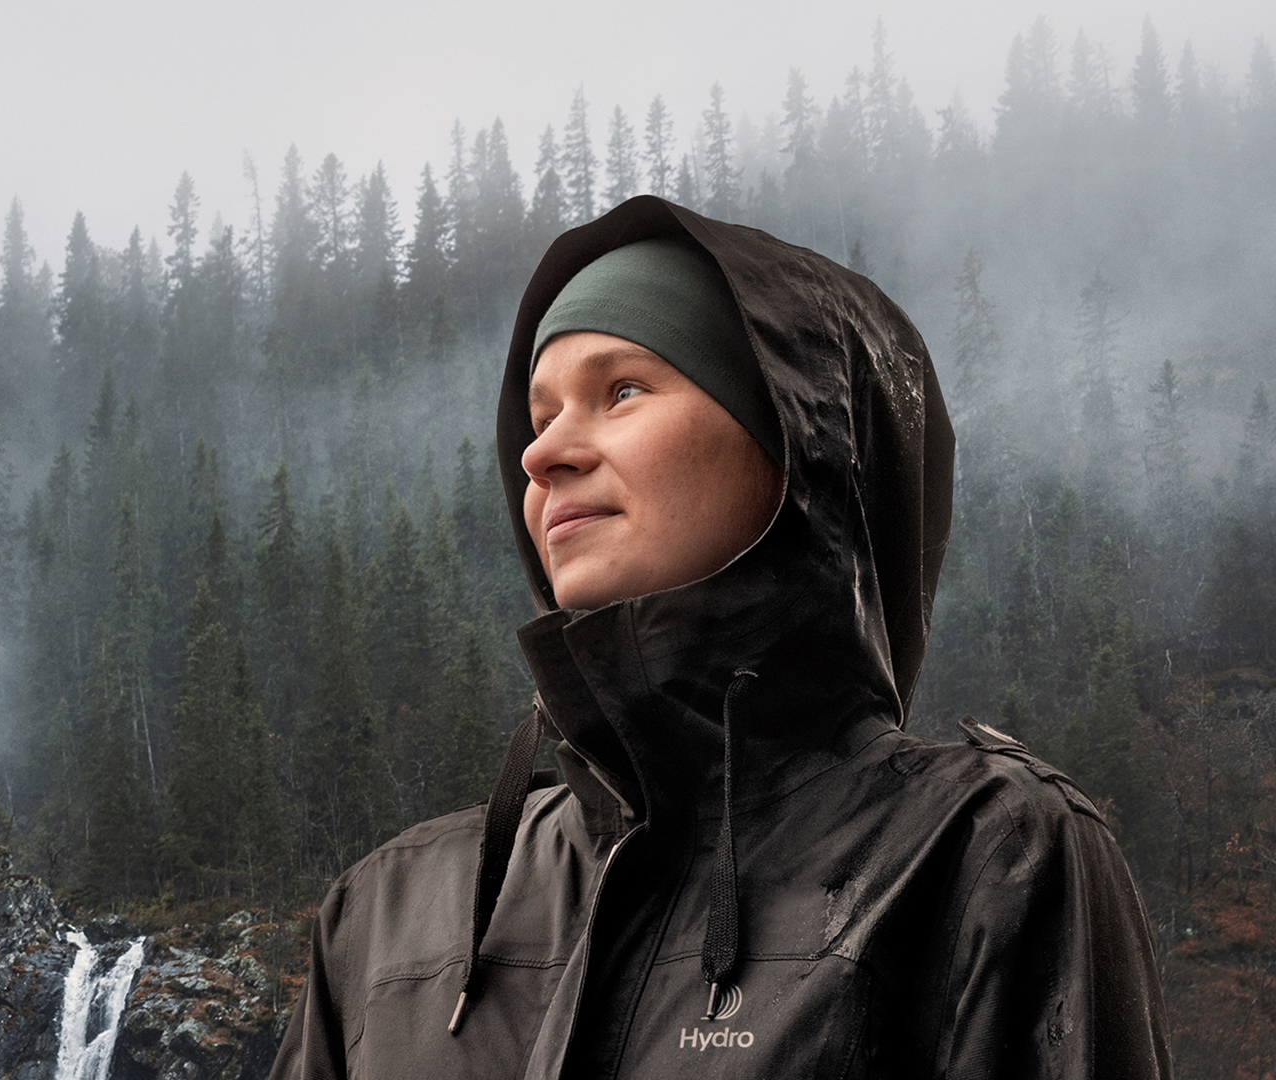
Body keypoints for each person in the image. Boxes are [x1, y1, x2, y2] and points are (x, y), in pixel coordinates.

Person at [270, 195, 1173, 1079]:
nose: (543, 456)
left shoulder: (983, 857)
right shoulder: (387, 913)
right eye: (540, 418)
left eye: (621, 391)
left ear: (796, 447)